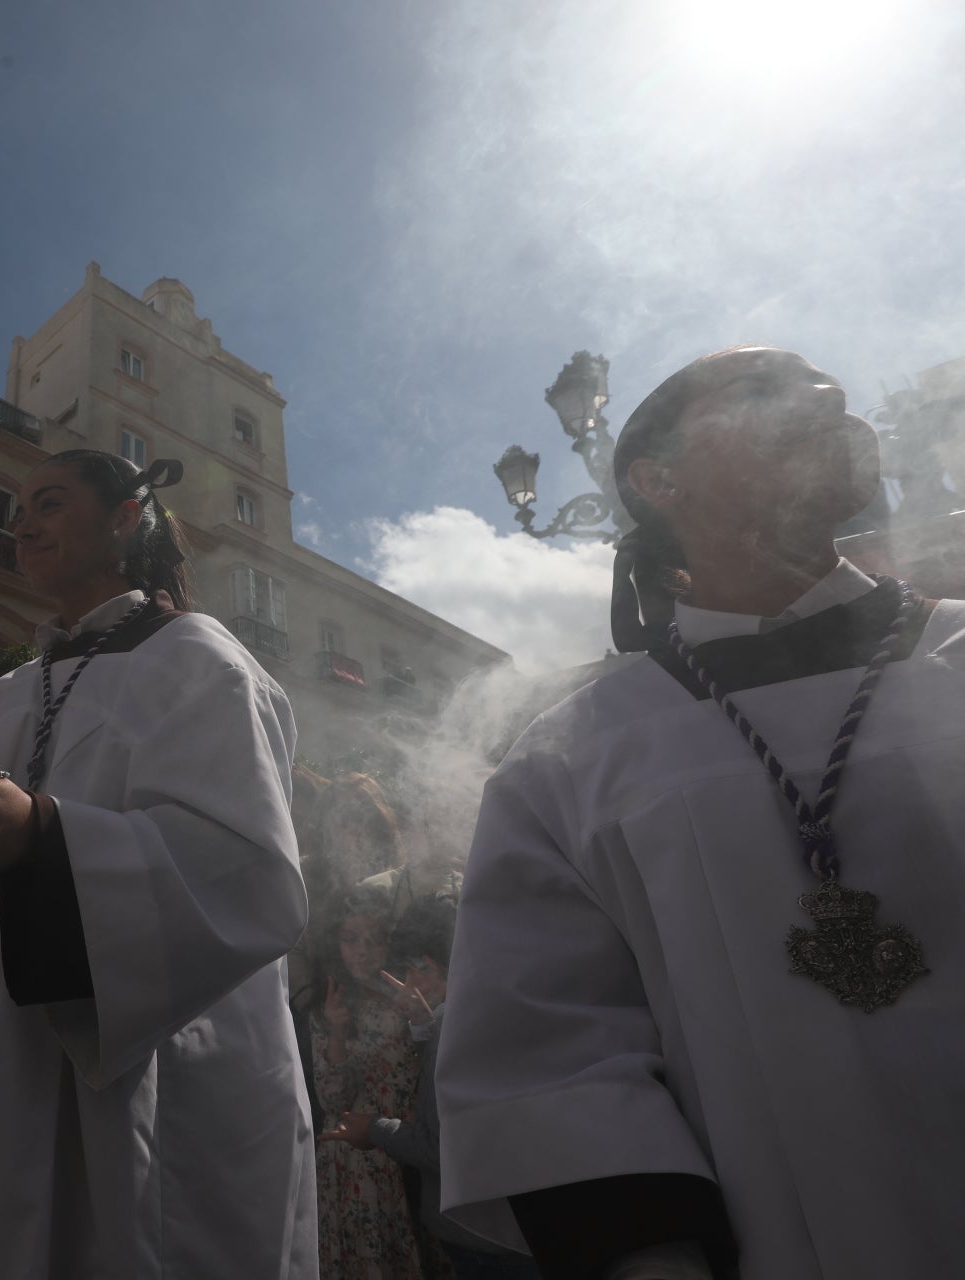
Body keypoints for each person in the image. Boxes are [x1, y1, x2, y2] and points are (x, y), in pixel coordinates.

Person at [438, 347, 965, 1279]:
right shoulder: (573, 759)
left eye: (826, 387)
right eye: (763, 390)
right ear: (657, 480)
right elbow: (551, 1060)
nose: (826, 396)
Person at [0, 450, 314, 1277]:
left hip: (143, 1050)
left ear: (127, 519)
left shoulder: (202, 658)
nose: (22, 524)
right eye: (19, 508)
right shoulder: (9, 690)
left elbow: (244, 872)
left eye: (50, 504)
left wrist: (44, 835)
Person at [323, 895, 535, 1280]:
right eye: (407, 968)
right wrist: (422, 1024)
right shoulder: (470, 1012)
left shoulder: (457, 1030)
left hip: (480, 1230)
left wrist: (372, 1129)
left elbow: (440, 1148)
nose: (411, 982)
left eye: (422, 968)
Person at [311, 887, 427, 1279]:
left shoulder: (412, 996)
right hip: (358, 1166)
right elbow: (332, 1100)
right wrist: (337, 1033)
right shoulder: (328, 1007)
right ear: (335, 944)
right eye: (350, 939)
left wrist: (424, 1021)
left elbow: (430, 1075)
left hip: (414, 1149)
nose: (362, 951)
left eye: (374, 939)